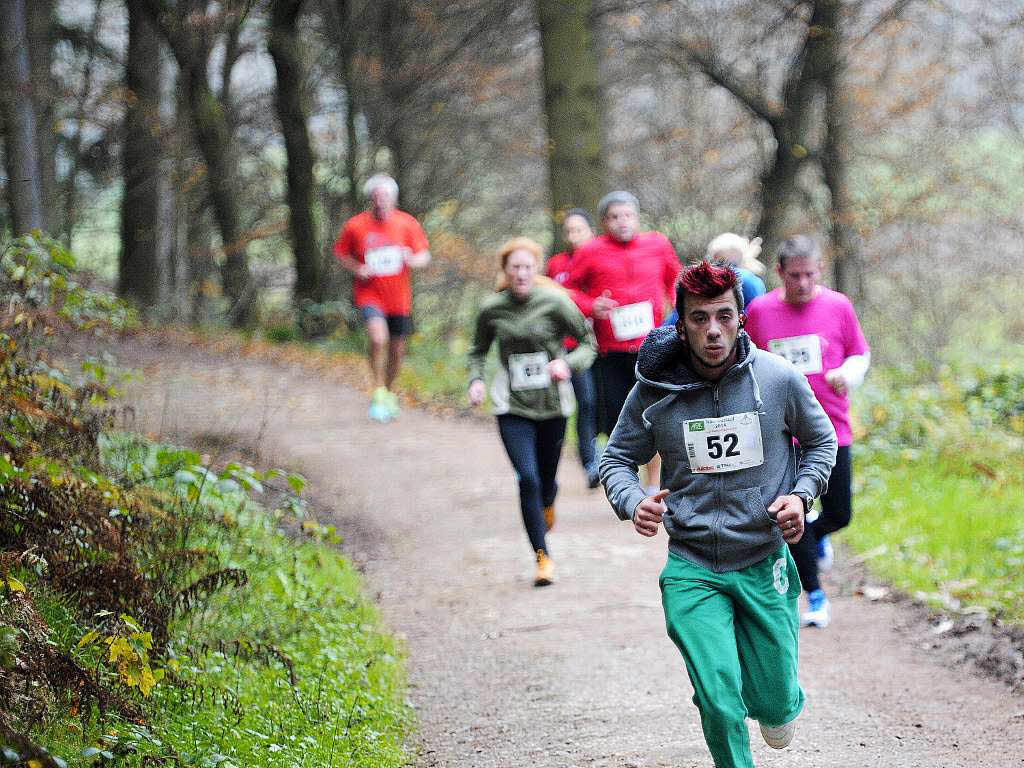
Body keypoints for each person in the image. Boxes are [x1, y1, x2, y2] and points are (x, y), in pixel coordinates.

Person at [600, 260, 837, 768]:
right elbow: (616, 458)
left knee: (775, 711)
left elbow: (821, 442)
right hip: (692, 565)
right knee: (718, 698)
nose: (713, 330)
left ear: (741, 317)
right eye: (700, 318)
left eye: (724, 316)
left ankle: (781, 700)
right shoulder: (655, 390)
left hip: (761, 555)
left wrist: (800, 495)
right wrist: (630, 500)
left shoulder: (778, 378)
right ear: (680, 324)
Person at [743, 235, 870, 628]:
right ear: (780, 273)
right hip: (781, 433)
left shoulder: (838, 305)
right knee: (792, 515)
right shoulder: (760, 311)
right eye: (794, 275)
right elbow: (746, 363)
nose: (802, 283)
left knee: (839, 514)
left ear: (819, 271)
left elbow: (859, 352)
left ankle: (817, 535)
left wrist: (846, 374)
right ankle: (815, 597)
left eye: (810, 275)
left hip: (832, 425)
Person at [468, 237, 597, 586]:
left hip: (553, 405)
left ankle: (547, 503)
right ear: (506, 272)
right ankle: (542, 558)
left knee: (546, 480)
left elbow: (589, 344)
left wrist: (567, 364)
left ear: (535, 270)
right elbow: (477, 350)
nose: (521, 274)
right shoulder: (492, 308)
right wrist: (476, 381)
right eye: (515, 268)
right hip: (512, 405)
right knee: (527, 478)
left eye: (527, 267)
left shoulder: (556, 302)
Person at [568, 191, 680, 492]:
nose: (622, 222)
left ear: (637, 217)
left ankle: (654, 484)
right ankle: (625, 481)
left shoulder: (657, 244)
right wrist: (592, 306)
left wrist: (679, 315)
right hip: (611, 351)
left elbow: (676, 282)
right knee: (622, 420)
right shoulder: (590, 251)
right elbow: (567, 291)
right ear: (604, 222)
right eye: (614, 217)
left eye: (628, 215)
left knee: (656, 415)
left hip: (652, 347)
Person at [333, 174, 431, 422]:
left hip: (399, 299)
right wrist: (358, 268)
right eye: (376, 197)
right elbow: (341, 254)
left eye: (385, 196)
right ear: (370, 199)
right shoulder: (355, 226)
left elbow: (424, 257)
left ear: (393, 199)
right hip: (369, 294)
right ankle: (377, 391)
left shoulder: (407, 223)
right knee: (378, 339)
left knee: (397, 350)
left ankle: (388, 391)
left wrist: (411, 258)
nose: (381, 201)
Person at [545, 208, 600, 488]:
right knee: (583, 402)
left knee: (599, 403)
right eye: (568, 231)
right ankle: (589, 462)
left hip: (602, 344)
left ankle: (602, 458)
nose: (573, 236)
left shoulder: (602, 261)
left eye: (579, 229)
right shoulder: (556, 265)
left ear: (591, 231)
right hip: (568, 347)